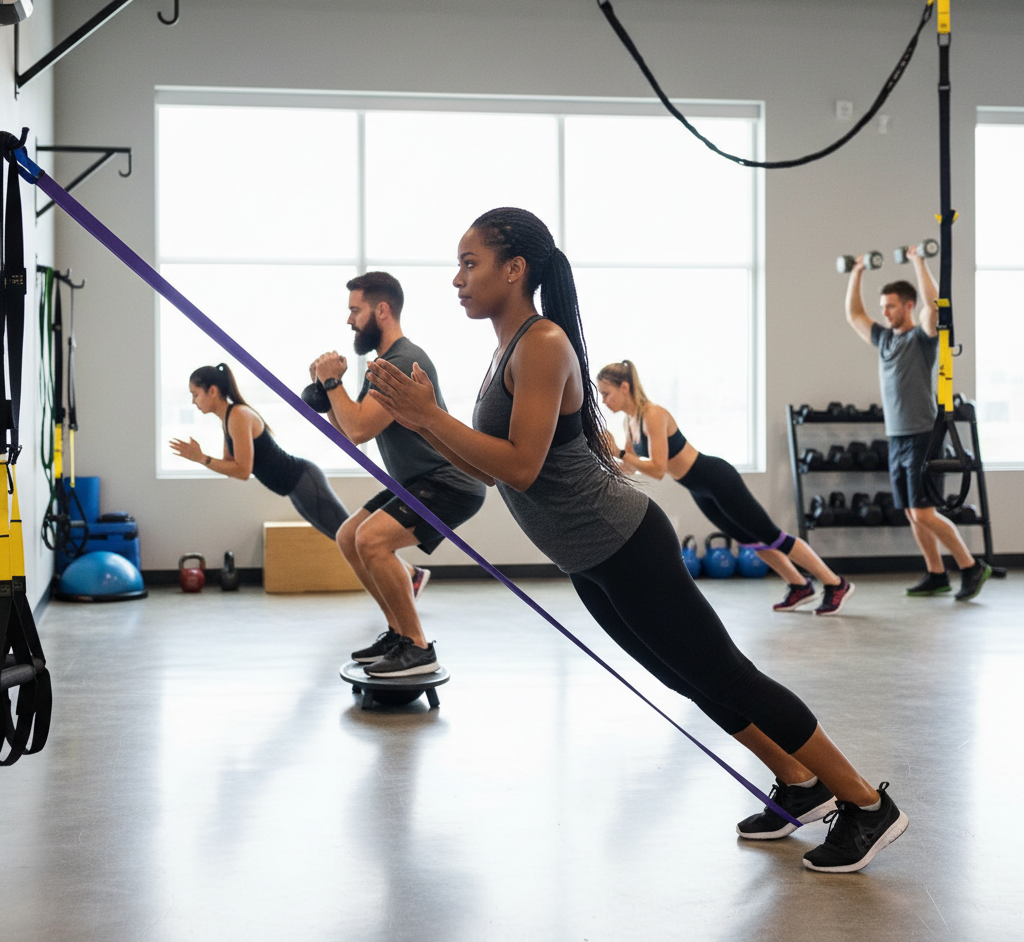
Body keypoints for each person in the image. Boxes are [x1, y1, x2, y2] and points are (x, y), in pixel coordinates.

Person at [365, 206, 907, 873]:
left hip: (624, 541)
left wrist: (428, 416)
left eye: (469, 263)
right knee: (688, 677)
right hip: (589, 557)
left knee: (728, 675)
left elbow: (522, 467)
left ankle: (864, 803)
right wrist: (424, 425)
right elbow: (492, 468)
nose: (456, 279)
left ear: (515, 269)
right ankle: (801, 783)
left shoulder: (542, 343)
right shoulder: (507, 349)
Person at [312, 271, 487, 678]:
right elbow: (350, 433)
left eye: (356, 310)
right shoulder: (381, 367)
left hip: (448, 481)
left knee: (371, 541)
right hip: (416, 482)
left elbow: (357, 428)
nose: (350, 320)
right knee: (349, 536)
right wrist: (326, 395)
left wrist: (332, 381)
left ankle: (418, 647)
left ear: (382, 310)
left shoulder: (403, 361)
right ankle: (397, 633)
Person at [596, 360, 854, 615]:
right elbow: (631, 469)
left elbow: (658, 469)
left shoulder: (653, 414)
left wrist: (619, 451)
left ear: (625, 387)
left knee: (770, 534)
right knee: (749, 539)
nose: (604, 401)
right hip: (697, 488)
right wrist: (607, 457)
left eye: (606, 393)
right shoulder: (630, 424)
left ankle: (835, 583)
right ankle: (799, 585)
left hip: (714, 478)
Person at [170, 364, 431, 597]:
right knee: (346, 537)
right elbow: (232, 467)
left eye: (195, 394)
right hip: (296, 488)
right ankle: (409, 576)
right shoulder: (227, 420)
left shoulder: (238, 416)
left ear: (212, 390)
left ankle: (411, 576)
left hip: (304, 481)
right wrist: (200, 458)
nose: (194, 402)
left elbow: (242, 470)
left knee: (349, 536)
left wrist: (201, 458)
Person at [845, 248, 991, 601]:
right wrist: (858, 271)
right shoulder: (884, 340)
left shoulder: (922, 339)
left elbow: (935, 308)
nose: (884, 312)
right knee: (913, 513)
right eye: (883, 306)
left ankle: (972, 566)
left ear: (908, 306)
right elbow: (854, 315)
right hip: (896, 437)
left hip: (923, 435)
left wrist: (918, 262)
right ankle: (936, 574)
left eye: (891, 306)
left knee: (924, 512)